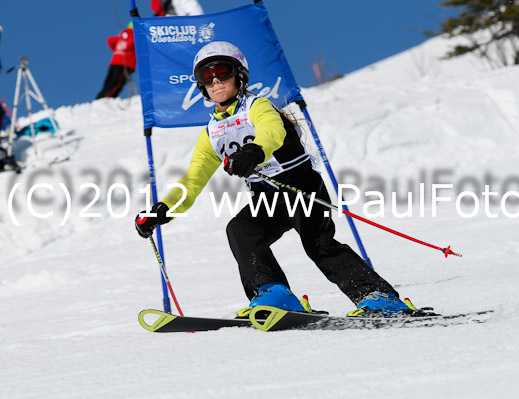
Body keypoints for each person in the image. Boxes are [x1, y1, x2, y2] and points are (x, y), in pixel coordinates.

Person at [135, 41, 412, 318]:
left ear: (239, 75)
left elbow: (271, 130)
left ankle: (378, 296)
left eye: (222, 71)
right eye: (206, 77)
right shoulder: (212, 132)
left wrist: (254, 151)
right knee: (241, 230)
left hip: (301, 188)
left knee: (318, 245)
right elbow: (192, 181)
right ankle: (274, 293)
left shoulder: (258, 106)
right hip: (266, 198)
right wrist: (163, 209)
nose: (215, 80)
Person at [96, 22, 136, 99]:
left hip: (114, 62)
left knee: (109, 81)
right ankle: (108, 98)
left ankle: (100, 98)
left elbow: (110, 40)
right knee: (118, 82)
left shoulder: (121, 35)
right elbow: (130, 45)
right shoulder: (135, 36)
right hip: (125, 63)